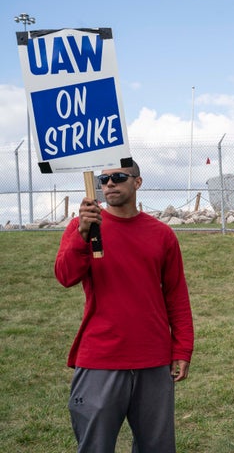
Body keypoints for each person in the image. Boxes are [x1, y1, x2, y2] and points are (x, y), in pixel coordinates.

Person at [55, 161, 194, 452]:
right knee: (95, 446)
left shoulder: (162, 235)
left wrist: (182, 348)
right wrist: (82, 234)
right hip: (100, 358)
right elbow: (65, 276)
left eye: (118, 177)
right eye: (103, 179)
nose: (109, 185)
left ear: (137, 182)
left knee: (156, 447)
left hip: (153, 359)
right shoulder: (82, 228)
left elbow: (176, 295)